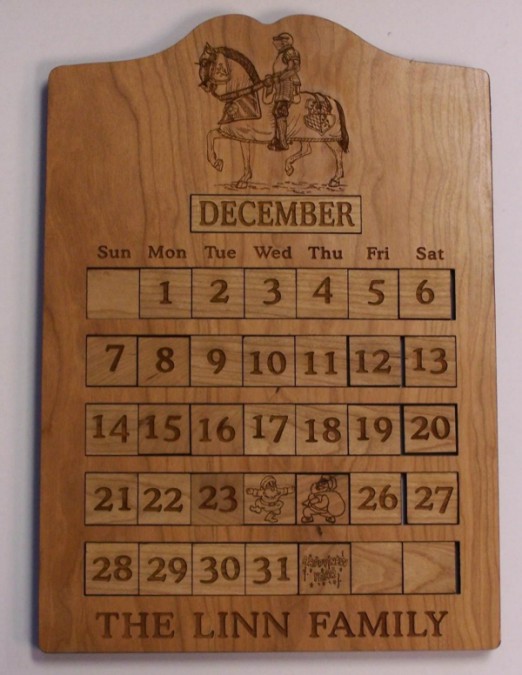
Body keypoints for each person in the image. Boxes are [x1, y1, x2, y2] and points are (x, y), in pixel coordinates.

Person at [265, 32, 301, 151]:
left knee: (280, 110)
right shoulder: (282, 53)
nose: (277, 43)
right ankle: (278, 138)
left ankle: (283, 142)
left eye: (280, 40)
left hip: (287, 84)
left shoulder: (290, 52)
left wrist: (280, 77)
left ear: (286, 41)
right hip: (280, 85)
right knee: (277, 111)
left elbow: (294, 69)